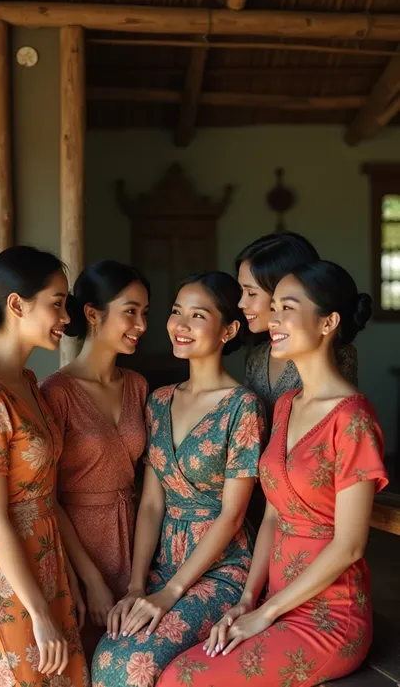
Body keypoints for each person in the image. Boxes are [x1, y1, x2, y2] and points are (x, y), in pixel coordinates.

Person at [158, 260, 388, 687]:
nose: (273, 319)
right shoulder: (286, 406)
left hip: (328, 616)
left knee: (182, 679)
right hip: (272, 600)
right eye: (274, 306)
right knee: (175, 670)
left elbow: (351, 545)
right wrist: (247, 600)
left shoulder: (354, 418)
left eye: (288, 308)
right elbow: (272, 516)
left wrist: (266, 613)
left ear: (328, 322)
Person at [92, 271, 265, 687]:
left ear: (230, 329)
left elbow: (233, 515)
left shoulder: (243, 408)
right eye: (175, 312)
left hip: (220, 570)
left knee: (132, 665)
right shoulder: (159, 399)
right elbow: (152, 503)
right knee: (107, 652)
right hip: (160, 565)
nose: (180, 325)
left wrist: (170, 594)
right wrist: (136, 587)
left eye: (197, 315)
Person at [0, 246, 89, 687]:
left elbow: (45, 493)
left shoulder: (29, 382)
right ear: (16, 305)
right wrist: (38, 612)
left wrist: (66, 571)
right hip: (5, 581)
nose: (66, 316)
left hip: (46, 562)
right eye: (56, 302)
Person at [40, 260, 150, 661]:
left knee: (127, 663)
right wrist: (90, 578)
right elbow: (46, 495)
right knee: (82, 660)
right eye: (131, 311)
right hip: (77, 547)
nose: (141, 324)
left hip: (134, 541)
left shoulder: (137, 386)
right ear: (92, 314)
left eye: (145, 313)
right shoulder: (56, 392)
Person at [237, 232, 357, 426]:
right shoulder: (258, 356)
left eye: (251, 292)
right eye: (241, 291)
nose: (241, 303)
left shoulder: (337, 357)